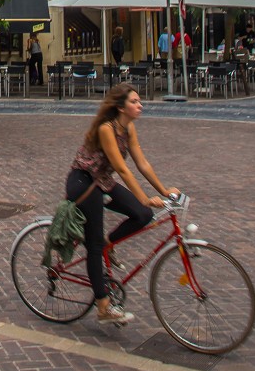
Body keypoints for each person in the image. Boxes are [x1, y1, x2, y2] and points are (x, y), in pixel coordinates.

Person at [65, 83, 180, 327]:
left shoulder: (129, 129)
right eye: (134, 102)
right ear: (120, 107)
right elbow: (121, 169)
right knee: (94, 245)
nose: (140, 106)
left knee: (143, 214)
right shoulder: (107, 129)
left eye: (139, 101)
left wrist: (163, 190)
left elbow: (142, 163)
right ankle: (103, 307)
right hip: (83, 181)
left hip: (102, 180)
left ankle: (109, 243)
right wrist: (143, 195)